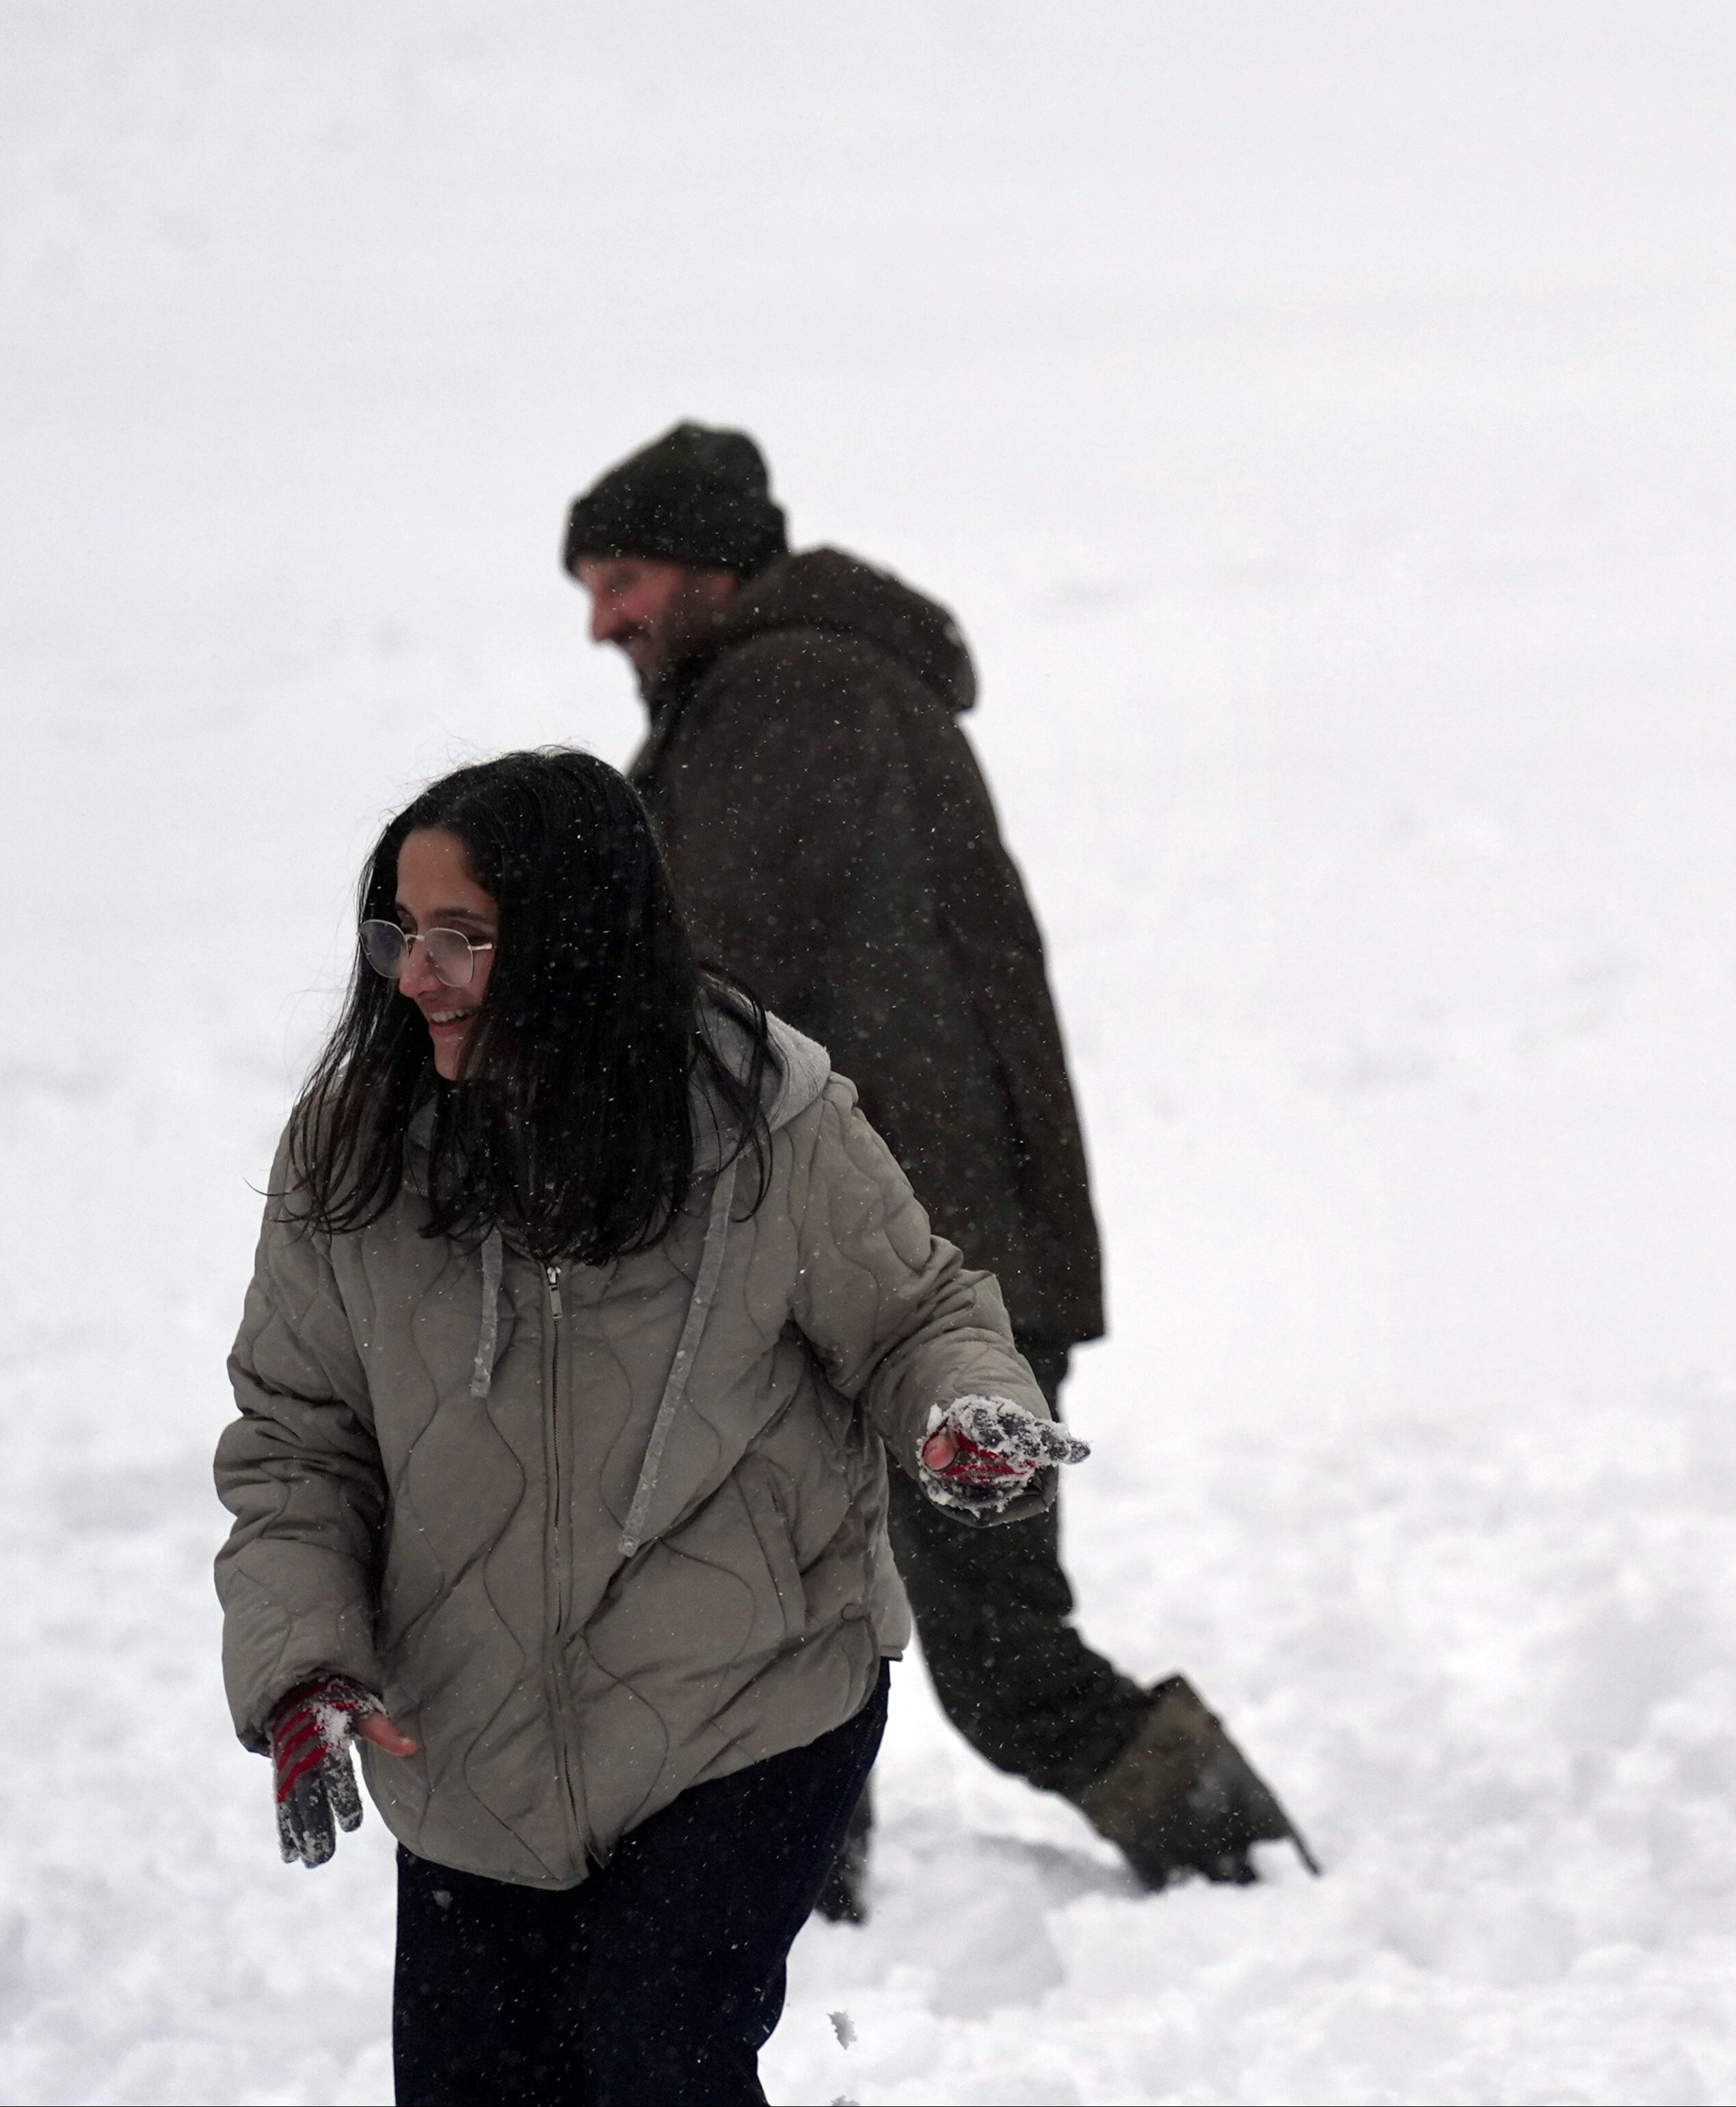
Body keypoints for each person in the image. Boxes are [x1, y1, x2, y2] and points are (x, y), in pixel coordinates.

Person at [215, 750, 1084, 2104]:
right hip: (473, 1746)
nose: (415, 975)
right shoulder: (353, 1156)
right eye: (398, 930)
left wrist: (968, 1412)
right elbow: (298, 1444)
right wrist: (302, 1659)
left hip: (747, 1701)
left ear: (574, 939)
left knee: (656, 2048)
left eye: (460, 934)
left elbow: (917, 1315)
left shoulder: (762, 1124)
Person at [561, 421, 1307, 1909]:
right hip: (890, 1273)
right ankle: (787, 1918)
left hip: (917, 1286)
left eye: (625, 575)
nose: (603, 619)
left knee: (992, 1652)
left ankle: (1253, 1886)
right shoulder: (792, 693)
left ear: (714, 562)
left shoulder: (790, 696)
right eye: (590, 586)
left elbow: (721, 999)